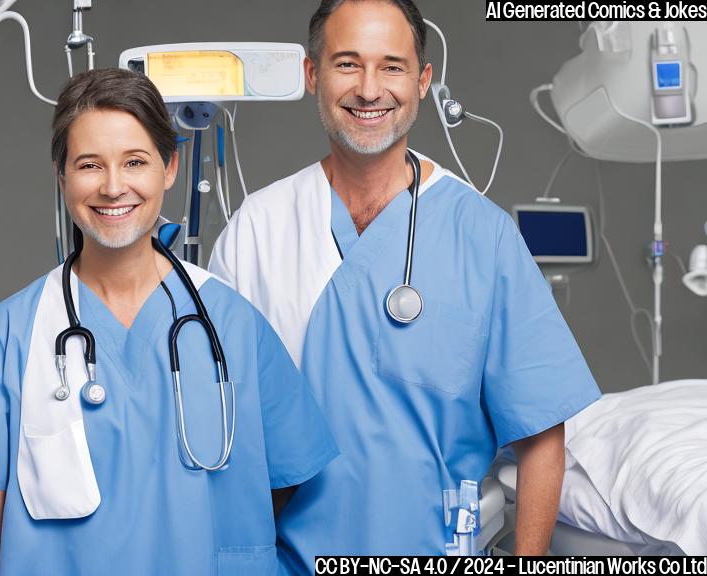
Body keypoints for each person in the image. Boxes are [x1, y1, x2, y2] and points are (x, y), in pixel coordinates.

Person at [209, 0, 601, 564]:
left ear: (422, 82)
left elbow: (542, 438)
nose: (369, 89)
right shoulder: (258, 228)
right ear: (312, 75)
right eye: (347, 64)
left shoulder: (481, 235)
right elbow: (222, 430)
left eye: (391, 67)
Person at [0, 68, 337, 575]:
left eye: (135, 162)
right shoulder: (11, 333)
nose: (113, 186)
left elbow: (291, 478)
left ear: (170, 167)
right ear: (62, 177)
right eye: (89, 165)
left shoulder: (231, 326)